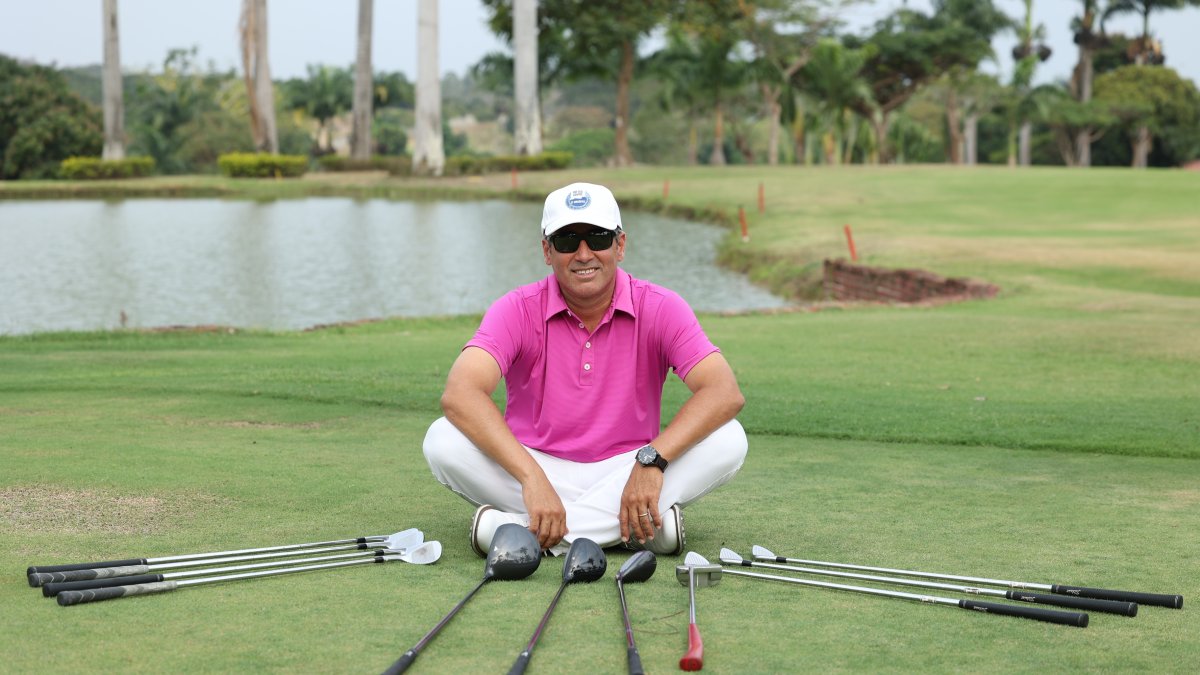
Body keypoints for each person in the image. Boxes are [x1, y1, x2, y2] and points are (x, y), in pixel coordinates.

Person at [422, 182, 747, 556]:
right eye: (566, 240)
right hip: (534, 465)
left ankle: (516, 529)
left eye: (597, 237)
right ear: (547, 250)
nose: (583, 253)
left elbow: (724, 391)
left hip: (628, 468)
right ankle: (636, 528)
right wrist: (531, 478)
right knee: (441, 439)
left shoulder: (660, 306)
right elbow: (460, 393)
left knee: (730, 438)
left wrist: (652, 461)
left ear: (620, 245)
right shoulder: (516, 308)